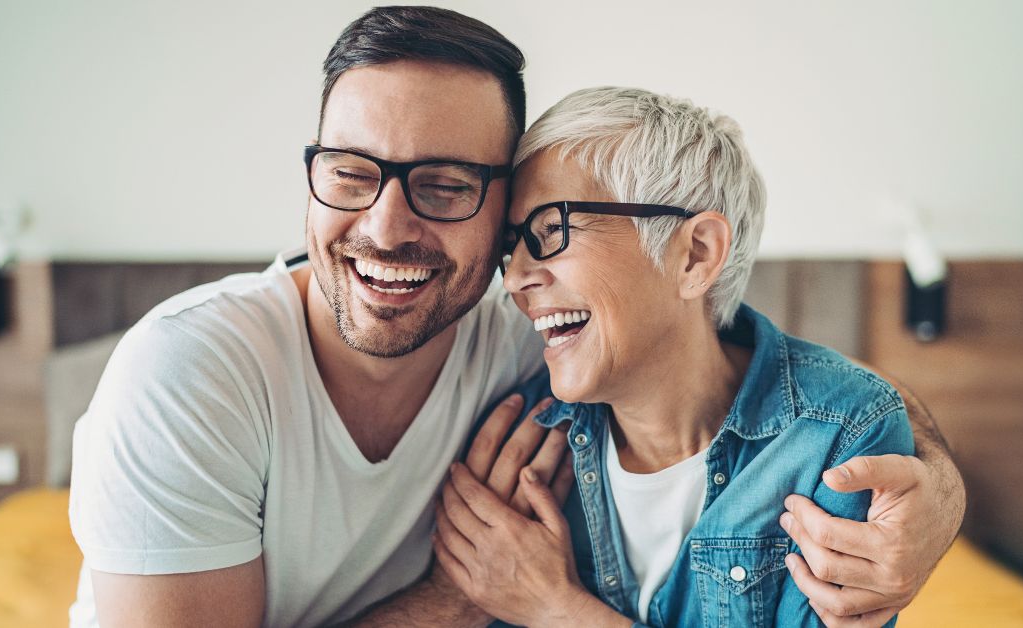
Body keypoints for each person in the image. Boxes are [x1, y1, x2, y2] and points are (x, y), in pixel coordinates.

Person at [68, 7, 965, 627]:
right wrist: (467, 599)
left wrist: (938, 495)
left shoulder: (540, 358)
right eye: (349, 171)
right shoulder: (190, 375)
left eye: (446, 185)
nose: (386, 225)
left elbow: (758, 376)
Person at [432, 87, 936, 627]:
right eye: (514, 246)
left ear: (695, 255)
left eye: (552, 231)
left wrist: (559, 611)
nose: (514, 278)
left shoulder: (838, 439)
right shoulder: (520, 439)